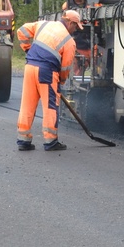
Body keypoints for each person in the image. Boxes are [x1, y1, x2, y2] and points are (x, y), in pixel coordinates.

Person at [15, 10, 82, 151]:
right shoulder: (69, 42)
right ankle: (50, 141)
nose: (75, 30)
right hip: (47, 72)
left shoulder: (43, 24)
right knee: (50, 106)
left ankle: (23, 140)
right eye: (75, 26)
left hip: (29, 67)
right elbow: (65, 68)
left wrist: (28, 49)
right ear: (70, 23)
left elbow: (22, 31)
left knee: (27, 104)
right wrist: (60, 82)